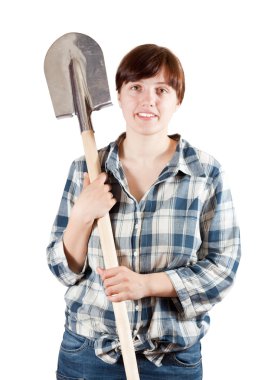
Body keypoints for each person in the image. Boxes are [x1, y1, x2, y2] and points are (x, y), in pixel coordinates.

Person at [47, 44, 241, 380]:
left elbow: (223, 267)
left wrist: (147, 284)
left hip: (172, 361)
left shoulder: (204, 173)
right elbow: (63, 271)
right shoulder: (88, 169)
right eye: (136, 87)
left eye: (161, 90)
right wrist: (81, 215)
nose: (147, 100)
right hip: (88, 356)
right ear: (119, 96)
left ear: (177, 100)